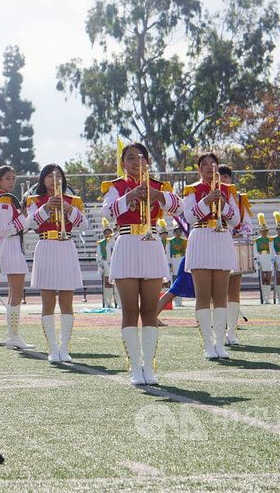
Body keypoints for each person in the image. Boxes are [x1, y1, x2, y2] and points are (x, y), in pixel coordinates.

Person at [101, 143, 182, 385]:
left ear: (148, 162)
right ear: (123, 163)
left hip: (151, 242)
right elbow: (108, 212)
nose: (137, 162)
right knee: (130, 310)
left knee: (149, 309)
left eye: (141, 158)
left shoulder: (158, 185)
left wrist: (157, 195)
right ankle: (135, 367)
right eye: (130, 158)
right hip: (126, 243)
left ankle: (149, 366)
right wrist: (130, 196)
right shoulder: (116, 186)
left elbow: (179, 208)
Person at [182, 153, 241, 360]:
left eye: (213, 164)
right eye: (204, 164)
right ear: (199, 169)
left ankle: (220, 342)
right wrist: (207, 200)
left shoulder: (228, 190)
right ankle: (208, 344)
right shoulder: (192, 190)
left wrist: (223, 204)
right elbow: (188, 217)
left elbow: (236, 220)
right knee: (203, 295)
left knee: (220, 295)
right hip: (200, 238)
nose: (209, 167)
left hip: (222, 237)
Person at [26, 164, 87, 363]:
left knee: (67, 301)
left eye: (58, 176)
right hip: (45, 246)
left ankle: (64, 347)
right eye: (50, 176)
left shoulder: (73, 200)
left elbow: (84, 224)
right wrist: (45, 208)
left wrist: (68, 208)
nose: (55, 179)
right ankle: (52, 348)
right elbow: (31, 225)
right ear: (43, 180)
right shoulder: (35, 200)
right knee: (48, 302)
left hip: (66, 246)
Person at [0, 166, 33, 350]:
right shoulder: (4, 200)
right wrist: (24, 217)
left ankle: (13, 336)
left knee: (14, 294)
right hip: (11, 245)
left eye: (13, 178)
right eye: (7, 178)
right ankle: (14, 336)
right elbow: (3, 230)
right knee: (16, 294)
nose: (11, 181)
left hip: (13, 245)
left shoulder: (4, 199)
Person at [218, 166, 251, 346]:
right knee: (218, 292)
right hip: (216, 247)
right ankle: (220, 331)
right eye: (220, 177)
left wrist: (240, 233)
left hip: (234, 247)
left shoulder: (239, 198)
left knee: (233, 291)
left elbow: (246, 223)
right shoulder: (207, 194)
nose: (223, 180)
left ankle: (231, 332)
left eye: (225, 177)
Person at [254, 216, 274, 303]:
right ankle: (264, 297)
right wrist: (257, 261)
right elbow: (255, 251)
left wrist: (273, 260)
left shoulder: (270, 240)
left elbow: (272, 250)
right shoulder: (257, 240)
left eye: (266, 230)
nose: (264, 232)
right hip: (261, 258)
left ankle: (268, 298)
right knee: (263, 279)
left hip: (268, 258)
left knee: (268, 279)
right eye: (263, 230)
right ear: (260, 231)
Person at [97, 221, 116, 308]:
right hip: (105, 264)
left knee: (116, 284)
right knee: (107, 284)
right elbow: (98, 255)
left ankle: (118, 302)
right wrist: (100, 265)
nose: (108, 235)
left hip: (114, 264)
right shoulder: (101, 243)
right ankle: (108, 302)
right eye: (106, 233)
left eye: (109, 233)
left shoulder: (115, 242)